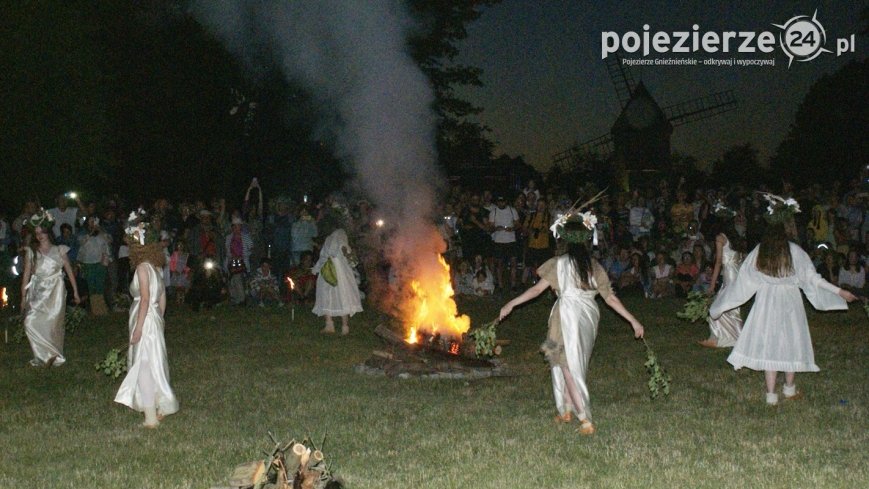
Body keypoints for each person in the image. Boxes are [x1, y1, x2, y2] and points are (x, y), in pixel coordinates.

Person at [499, 214, 644, 435]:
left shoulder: (561, 264)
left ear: (564, 240)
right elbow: (610, 298)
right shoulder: (593, 265)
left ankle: (585, 419)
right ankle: (566, 410)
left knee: (567, 367)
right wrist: (633, 320)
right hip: (586, 318)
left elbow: (536, 290)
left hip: (566, 317)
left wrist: (511, 304)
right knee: (565, 363)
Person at [709, 195, 857, 406]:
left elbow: (743, 281)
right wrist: (839, 291)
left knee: (770, 345)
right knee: (791, 342)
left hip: (766, 303)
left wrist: (721, 303)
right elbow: (813, 279)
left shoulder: (761, 251)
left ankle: (771, 394)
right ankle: (789, 388)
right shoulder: (794, 251)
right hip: (789, 302)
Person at [114, 216, 179, 428]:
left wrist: (139, 328)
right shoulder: (155, 267)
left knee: (144, 364)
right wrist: (159, 317)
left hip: (145, 318)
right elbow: (161, 297)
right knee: (153, 362)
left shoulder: (143, 268)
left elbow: (144, 298)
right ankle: (158, 406)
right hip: (153, 318)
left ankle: (151, 416)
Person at [20, 210, 81, 367]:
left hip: (55, 290)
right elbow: (26, 275)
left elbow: (68, 270)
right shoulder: (31, 252)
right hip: (37, 291)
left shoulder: (59, 249)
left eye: (42, 231)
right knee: (30, 321)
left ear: (48, 232)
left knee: (52, 323)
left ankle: (53, 355)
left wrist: (75, 291)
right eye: (37, 232)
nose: (39, 235)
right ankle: (40, 355)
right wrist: (23, 297)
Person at [699, 210, 747, 348]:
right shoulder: (734, 237)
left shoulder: (720, 238)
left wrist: (712, 285)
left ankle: (729, 337)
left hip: (730, 275)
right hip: (736, 273)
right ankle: (721, 336)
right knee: (728, 305)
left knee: (719, 305)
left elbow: (718, 262)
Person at [312, 229, 363, 335]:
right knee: (342, 297)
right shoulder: (342, 243)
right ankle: (343, 326)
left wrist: (316, 269)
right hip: (340, 277)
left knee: (327, 297)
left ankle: (330, 324)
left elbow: (323, 257)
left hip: (329, 275)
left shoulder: (330, 241)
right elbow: (352, 262)